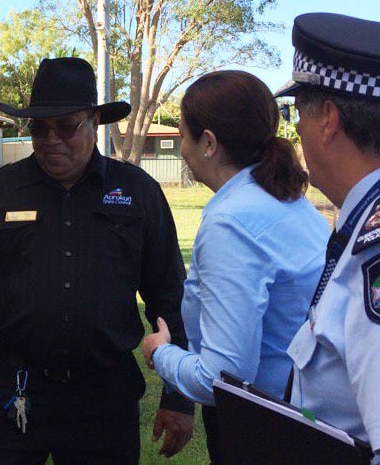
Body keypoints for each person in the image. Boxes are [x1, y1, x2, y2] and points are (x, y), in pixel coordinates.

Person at [0, 57, 194, 465]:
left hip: (104, 399)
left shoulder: (137, 192)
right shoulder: (2, 192)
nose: (51, 139)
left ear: (93, 121)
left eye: (66, 126)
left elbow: (170, 295)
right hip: (16, 389)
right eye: (39, 128)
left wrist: (179, 395)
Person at [142, 70, 329, 464]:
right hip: (307, 417)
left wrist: (161, 353)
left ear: (207, 142)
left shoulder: (232, 220)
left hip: (267, 432)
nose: (180, 149)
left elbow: (223, 378)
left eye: (181, 135)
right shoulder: (285, 198)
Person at [273, 12, 380, 464]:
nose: (295, 129)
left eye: (297, 112)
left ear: (328, 119)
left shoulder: (374, 253)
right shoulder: (360, 225)